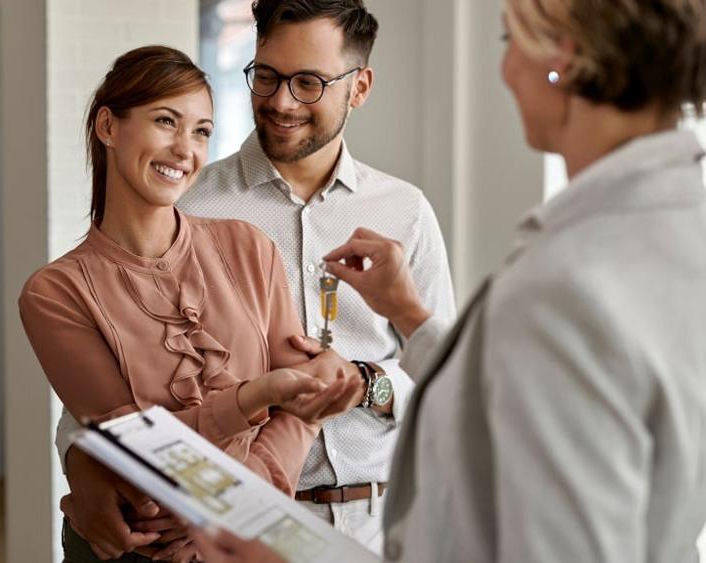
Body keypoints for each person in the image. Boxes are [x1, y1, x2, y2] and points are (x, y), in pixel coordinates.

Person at [193, 0, 706, 561]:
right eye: (268, 76)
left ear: (565, 60)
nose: (505, 70)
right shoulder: (673, 232)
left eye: (510, 40)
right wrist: (409, 313)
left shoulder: (568, 277)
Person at [54, 1, 457, 559]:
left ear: (359, 87)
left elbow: (444, 374)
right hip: (225, 527)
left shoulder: (406, 211)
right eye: (266, 76)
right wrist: (82, 460)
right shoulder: (188, 201)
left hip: (379, 521)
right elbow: (108, 380)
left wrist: (367, 383)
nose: (281, 101)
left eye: (309, 82)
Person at [18, 45, 365, 563]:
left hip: (247, 539)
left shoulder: (249, 248)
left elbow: (302, 407)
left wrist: (235, 507)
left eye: (201, 130)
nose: (185, 149)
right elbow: (132, 446)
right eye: (165, 121)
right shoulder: (55, 293)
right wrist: (255, 396)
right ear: (108, 127)